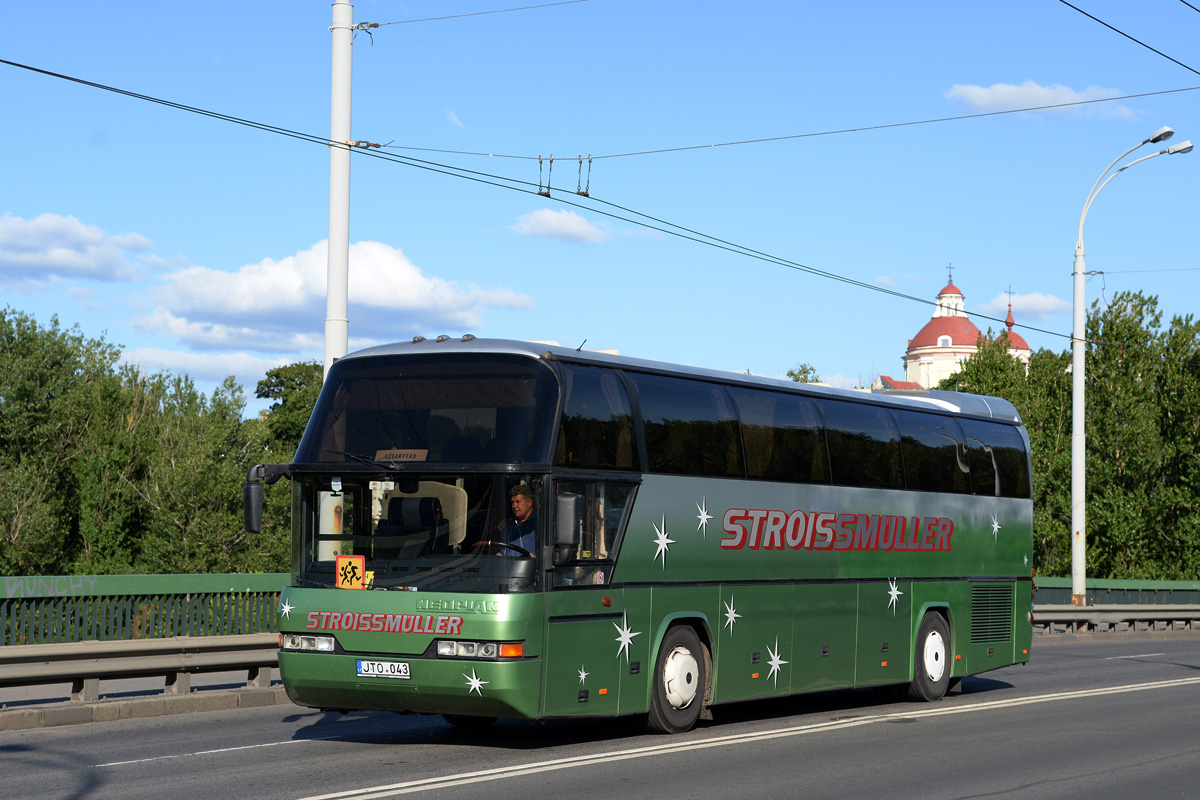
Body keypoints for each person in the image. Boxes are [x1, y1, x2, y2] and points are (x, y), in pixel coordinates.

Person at [503, 483, 537, 555]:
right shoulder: (510, 524)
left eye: (518, 502)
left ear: (529, 502)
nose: (514, 506)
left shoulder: (541, 524)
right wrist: (499, 555)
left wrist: (536, 559)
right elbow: (503, 549)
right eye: (512, 502)